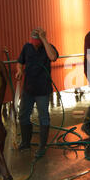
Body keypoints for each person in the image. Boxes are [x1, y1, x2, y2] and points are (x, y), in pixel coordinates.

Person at [15, 27, 59, 158]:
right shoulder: (27, 47)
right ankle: (25, 142)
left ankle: (42, 146)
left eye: (36, 40)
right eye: (32, 39)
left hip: (42, 90)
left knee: (43, 117)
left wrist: (44, 40)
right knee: (23, 114)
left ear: (41, 40)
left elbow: (53, 57)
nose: (33, 42)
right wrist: (19, 70)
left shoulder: (48, 48)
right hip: (28, 89)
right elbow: (19, 62)